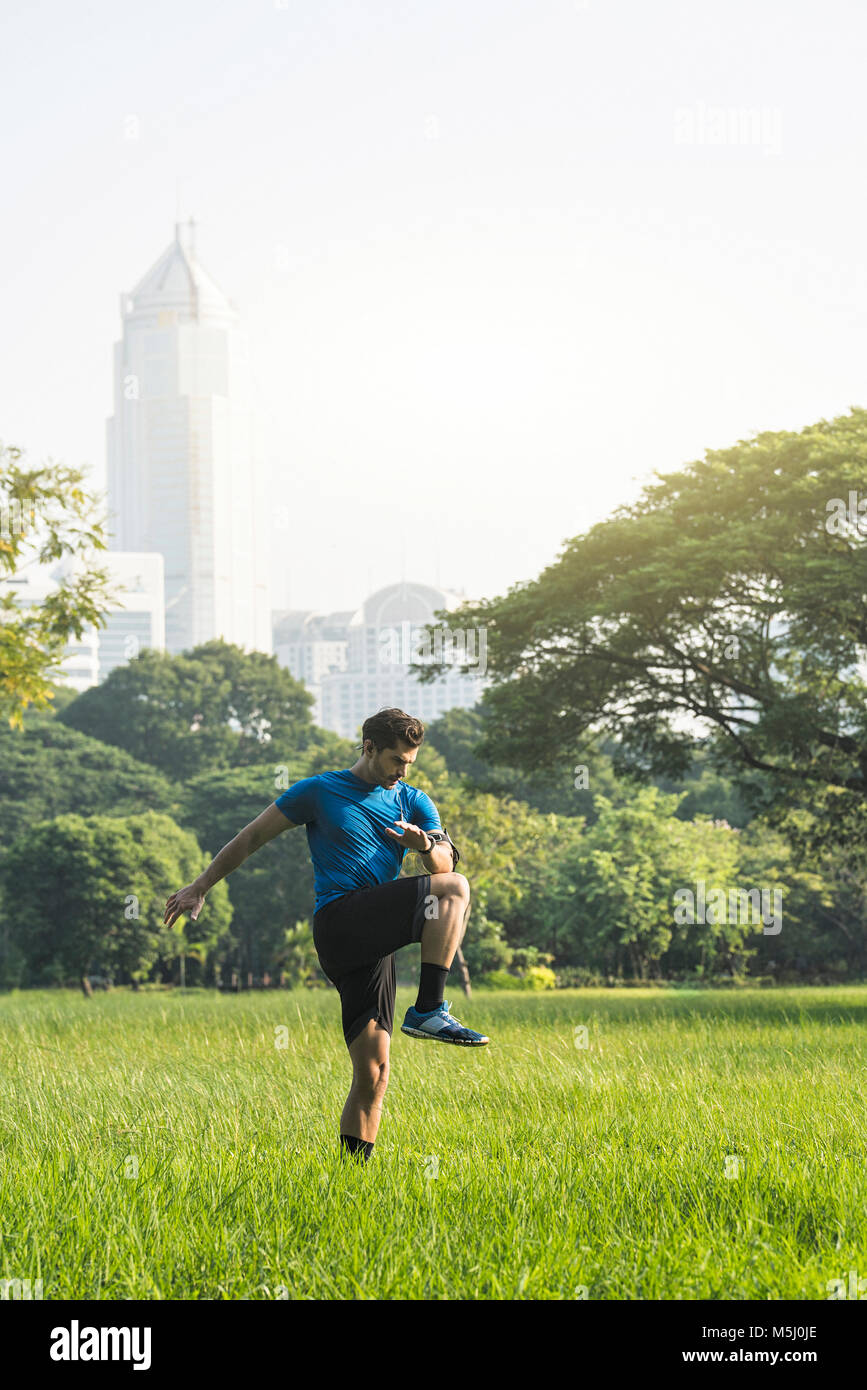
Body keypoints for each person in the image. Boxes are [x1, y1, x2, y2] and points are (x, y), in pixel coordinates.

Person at [163, 707, 489, 1164]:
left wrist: (423, 846)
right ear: (369, 747)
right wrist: (200, 886)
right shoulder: (320, 791)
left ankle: (351, 1177)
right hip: (339, 922)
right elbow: (251, 838)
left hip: (374, 943)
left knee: (374, 1070)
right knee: (455, 891)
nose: (403, 771)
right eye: (396, 760)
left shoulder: (414, 801)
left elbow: (444, 865)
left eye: (410, 763)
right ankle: (430, 1009)